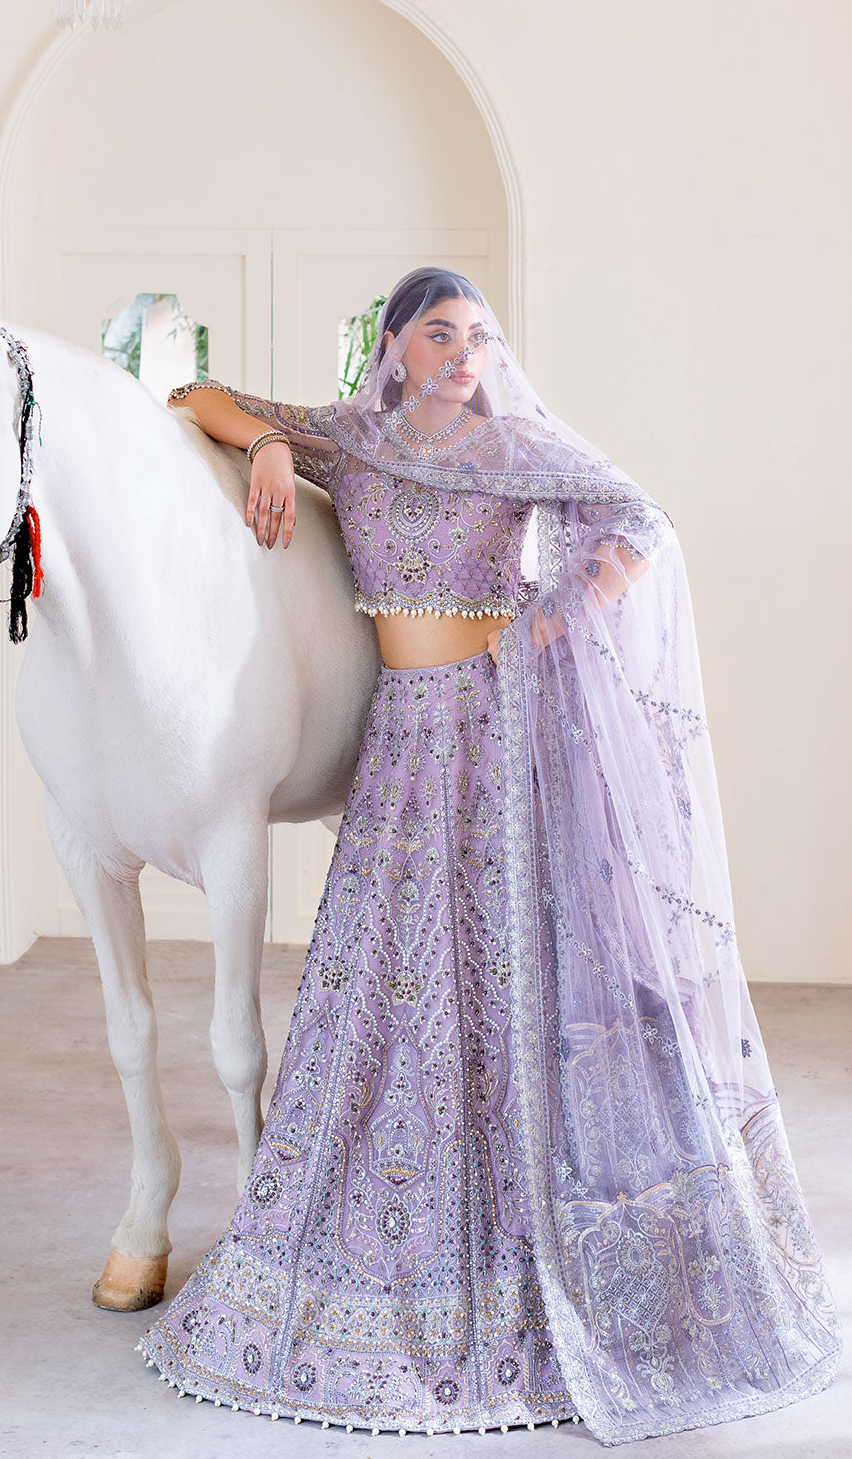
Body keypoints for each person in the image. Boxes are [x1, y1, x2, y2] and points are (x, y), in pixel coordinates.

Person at [137, 268, 841, 1444]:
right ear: (395, 347)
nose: (465, 353)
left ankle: (542, 1250)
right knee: (396, 988)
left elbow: (640, 523)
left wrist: (565, 613)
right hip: (404, 744)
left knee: (517, 982)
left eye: (477, 334)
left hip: (506, 731)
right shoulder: (351, 444)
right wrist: (266, 448)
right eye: (440, 334)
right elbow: (191, 396)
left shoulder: (513, 445)